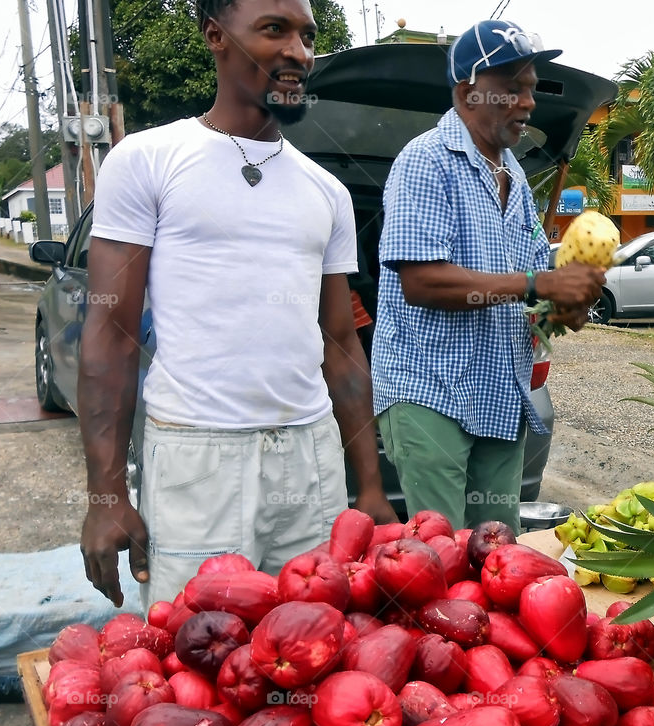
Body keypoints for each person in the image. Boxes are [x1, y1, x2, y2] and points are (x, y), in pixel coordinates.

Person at [78, 0, 396, 608]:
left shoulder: (325, 191)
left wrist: (371, 485)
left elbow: (340, 340)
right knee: (200, 654)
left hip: (312, 458)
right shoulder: (147, 160)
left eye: (306, 35)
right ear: (217, 37)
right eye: (274, 31)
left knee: (315, 644)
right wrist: (107, 495)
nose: (299, 53)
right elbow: (111, 332)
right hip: (199, 458)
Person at [371, 20, 606, 532]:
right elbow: (422, 282)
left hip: (501, 390)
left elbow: (531, 287)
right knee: (442, 558)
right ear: (467, 91)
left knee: (498, 558)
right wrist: (536, 285)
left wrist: (564, 305)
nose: (528, 103)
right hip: (429, 390)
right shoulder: (426, 161)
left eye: (531, 89)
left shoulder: (516, 177)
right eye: (512, 89)